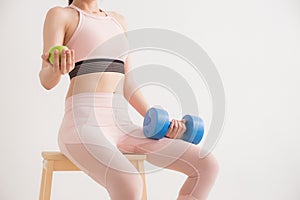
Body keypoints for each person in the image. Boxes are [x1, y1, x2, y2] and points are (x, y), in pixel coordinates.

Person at [39, 0, 219, 199]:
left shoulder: (118, 21)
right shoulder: (62, 15)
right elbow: (46, 80)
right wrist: (56, 69)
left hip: (122, 126)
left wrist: (162, 125)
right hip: (82, 125)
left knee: (206, 164)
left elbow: (129, 85)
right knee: (130, 182)